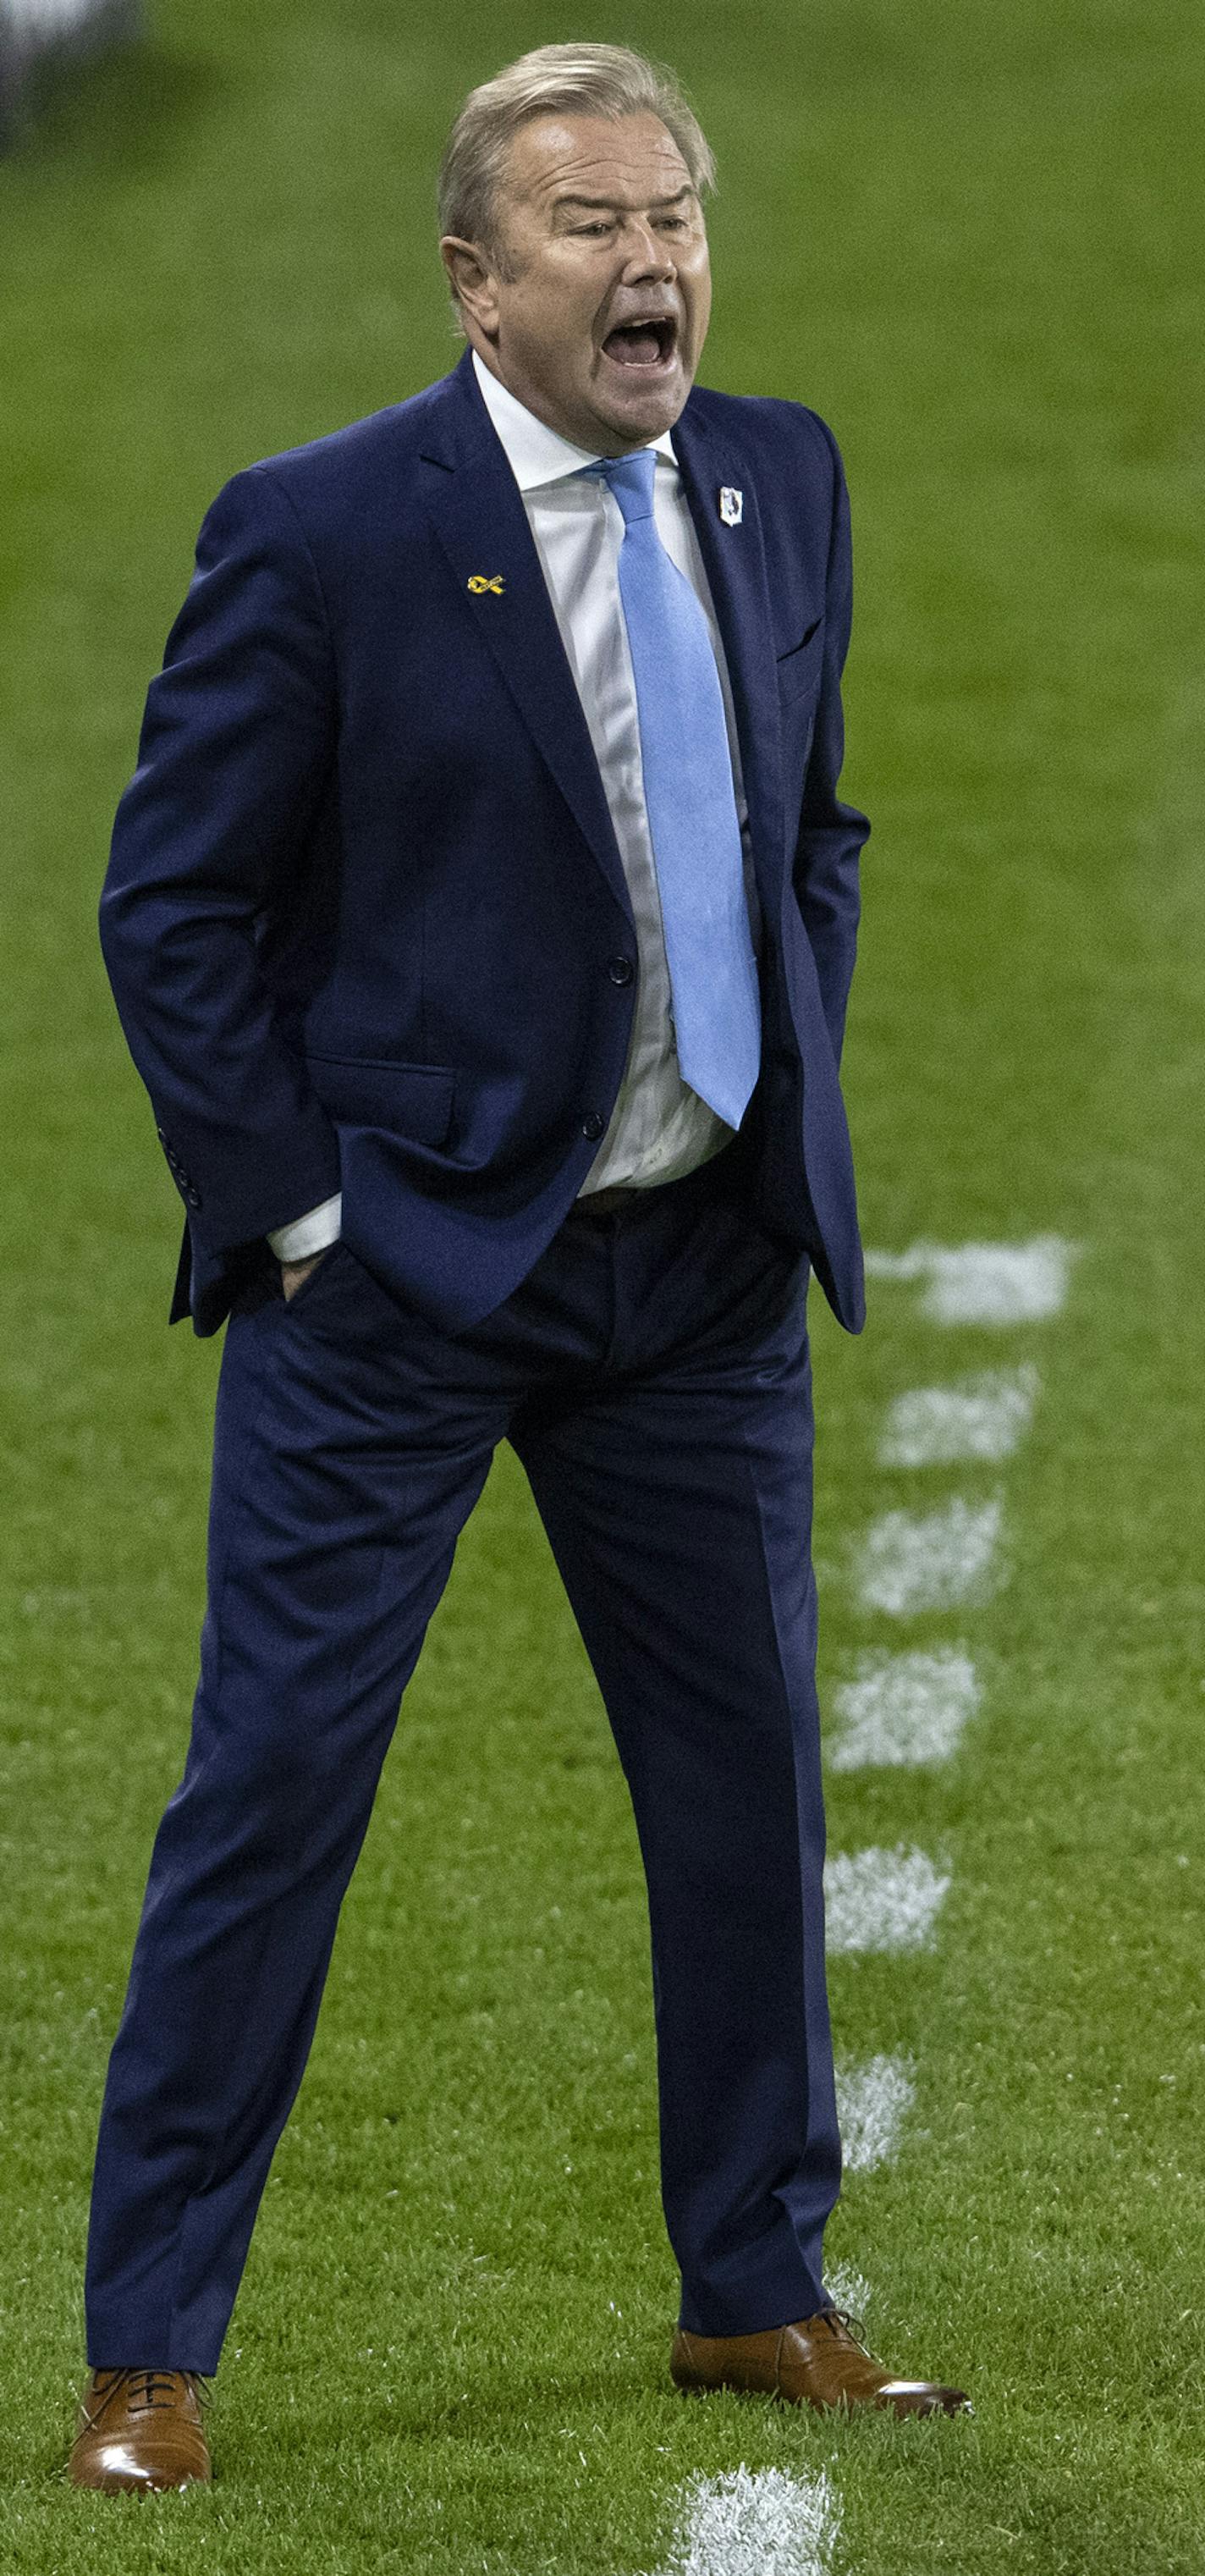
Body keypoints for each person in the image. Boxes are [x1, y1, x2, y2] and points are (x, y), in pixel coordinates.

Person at [69, 41, 968, 2493]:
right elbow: (175, 904)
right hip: (403, 1283)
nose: (652, 259)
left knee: (746, 1779)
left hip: (690, 1273)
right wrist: (311, 1214)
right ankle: (148, 2346)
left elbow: (818, 810)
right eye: (592, 223)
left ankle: (754, 2278)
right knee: (273, 1788)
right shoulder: (329, 527)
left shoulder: (781, 477)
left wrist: (775, 1073)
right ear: (477, 275)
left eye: (673, 212)